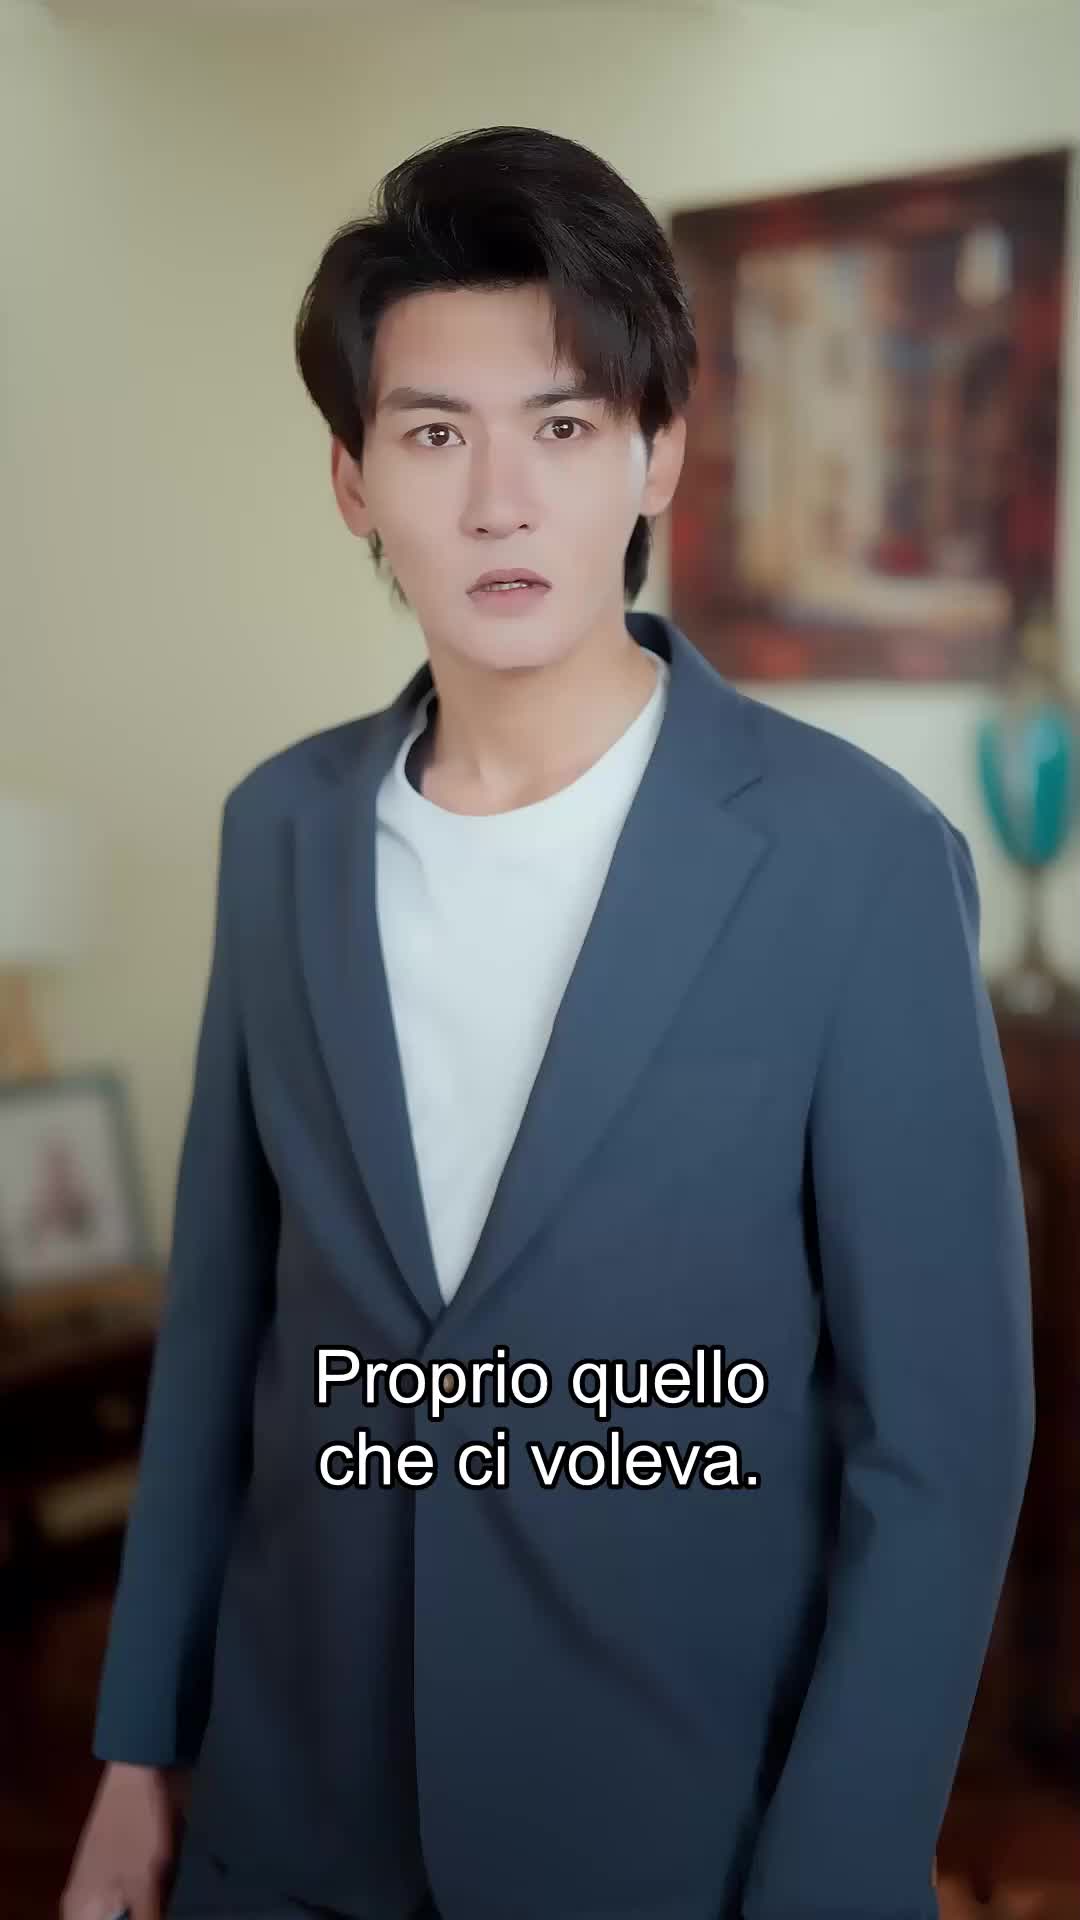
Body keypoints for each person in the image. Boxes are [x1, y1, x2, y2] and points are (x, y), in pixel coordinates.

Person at [61, 125, 1034, 1920]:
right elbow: (222, 1334)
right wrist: (143, 1747)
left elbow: (943, 1445)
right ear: (354, 479)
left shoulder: (860, 860)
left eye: (565, 427)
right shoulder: (280, 830)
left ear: (659, 450)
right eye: (436, 434)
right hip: (291, 1818)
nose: (499, 500)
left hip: (677, 1838)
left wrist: (833, 1876)